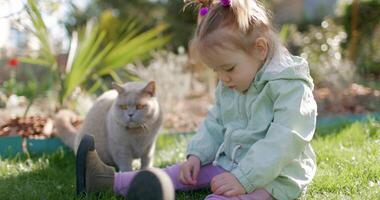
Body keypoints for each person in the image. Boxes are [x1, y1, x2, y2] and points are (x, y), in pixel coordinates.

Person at [76, 0, 317, 199]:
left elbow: (284, 140)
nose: (223, 78)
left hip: (278, 177)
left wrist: (243, 178)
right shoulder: (232, 81)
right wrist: (197, 156)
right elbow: (215, 122)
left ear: (260, 49)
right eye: (216, 71)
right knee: (180, 172)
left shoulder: (290, 86)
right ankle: (107, 181)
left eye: (229, 68)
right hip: (232, 162)